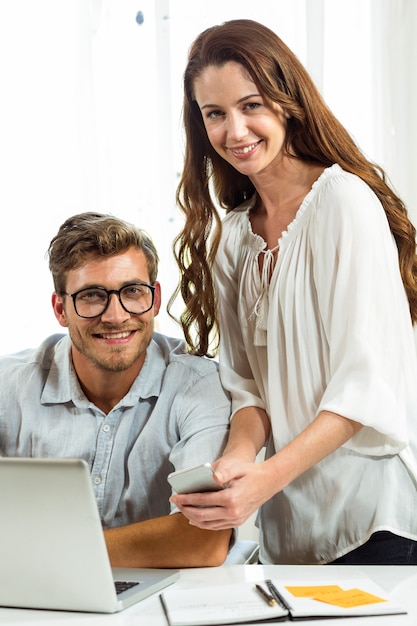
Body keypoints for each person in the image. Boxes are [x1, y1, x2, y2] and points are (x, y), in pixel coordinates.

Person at [169, 19, 417, 565]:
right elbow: (247, 388)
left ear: (286, 101)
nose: (235, 131)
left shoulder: (343, 204)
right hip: (290, 533)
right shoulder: (233, 236)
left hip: (373, 522)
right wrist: (236, 461)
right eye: (215, 113)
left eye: (250, 104)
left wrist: (263, 481)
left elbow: (364, 389)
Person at [0, 212, 233, 568]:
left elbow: (203, 540)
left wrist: (42, 554)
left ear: (154, 299)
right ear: (60, 309)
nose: (115, 316)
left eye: (132, 292)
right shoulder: (10, 386)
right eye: (92, 296)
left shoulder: (198, 386)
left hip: (162, 606)